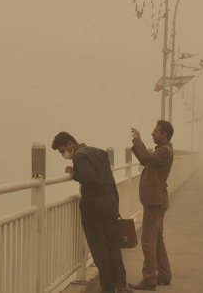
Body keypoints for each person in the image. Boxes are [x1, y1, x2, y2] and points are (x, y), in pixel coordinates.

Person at [51, 132, 131, 293]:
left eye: (62, 150)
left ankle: (107, 287)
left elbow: (88, 177)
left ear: (70, 144)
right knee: (113, 246)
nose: (63, 154)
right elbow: (110, 178)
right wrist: (115, 202)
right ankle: (121, 285)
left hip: (93, 207)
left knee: (99, 249)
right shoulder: (100, 152)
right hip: (110, 202)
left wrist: (74, 174)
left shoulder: (79, 156)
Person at [128, 120, 174, 291]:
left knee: (148, 241)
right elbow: (145, 160)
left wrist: (137, 140)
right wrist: (137, 144)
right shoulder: (162, 151)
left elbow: (147, 158)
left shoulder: (165, 151)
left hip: (155, 202)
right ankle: (164, 274)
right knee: (157, 241)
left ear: (165, 135)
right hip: (156, 201)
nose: (153, 133)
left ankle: (149, 279)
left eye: (156, 131)